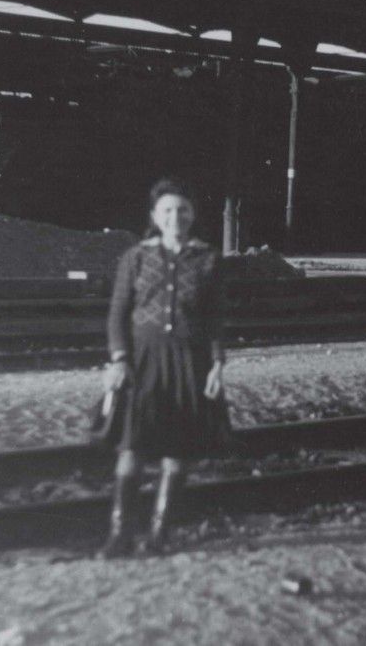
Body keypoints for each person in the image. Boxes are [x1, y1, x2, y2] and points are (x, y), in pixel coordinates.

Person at [100, 177, 229, 557]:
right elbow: (117, 314)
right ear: (155, 216)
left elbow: (215, 318)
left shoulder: (208, 259)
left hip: (190, 363)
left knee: (178, 449)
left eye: (183, 209)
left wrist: (217, 363)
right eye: (168, 210)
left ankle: (159, 535)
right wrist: (119, 359)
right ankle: (120, 535)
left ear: (193, 214)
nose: (176, 217)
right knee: (132, 446)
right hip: (143, 363)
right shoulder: (136, 257)